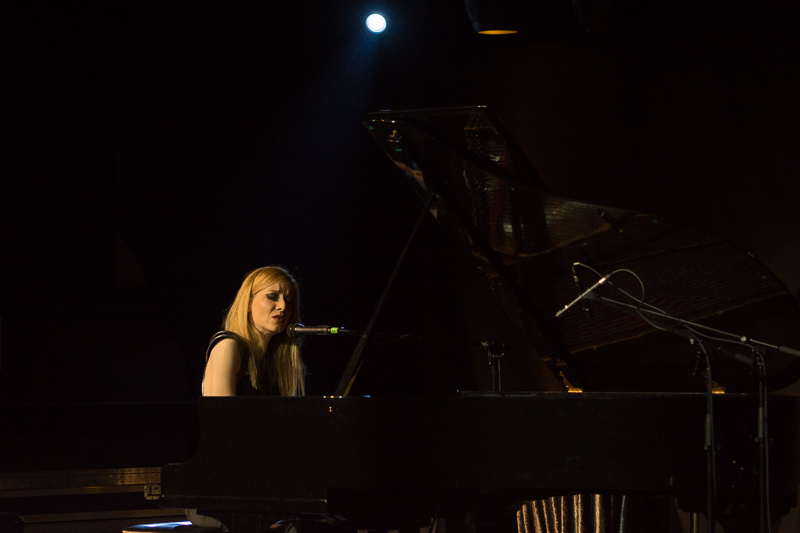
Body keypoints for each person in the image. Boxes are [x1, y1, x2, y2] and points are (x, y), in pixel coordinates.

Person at [187, 266, 306, 530]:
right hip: (218, 492)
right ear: (248, 303)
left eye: (289, 300)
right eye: (272, 296)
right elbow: (223, 434)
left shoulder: (276, 362)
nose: (283, 306)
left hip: (256, 486)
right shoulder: (228, 346)